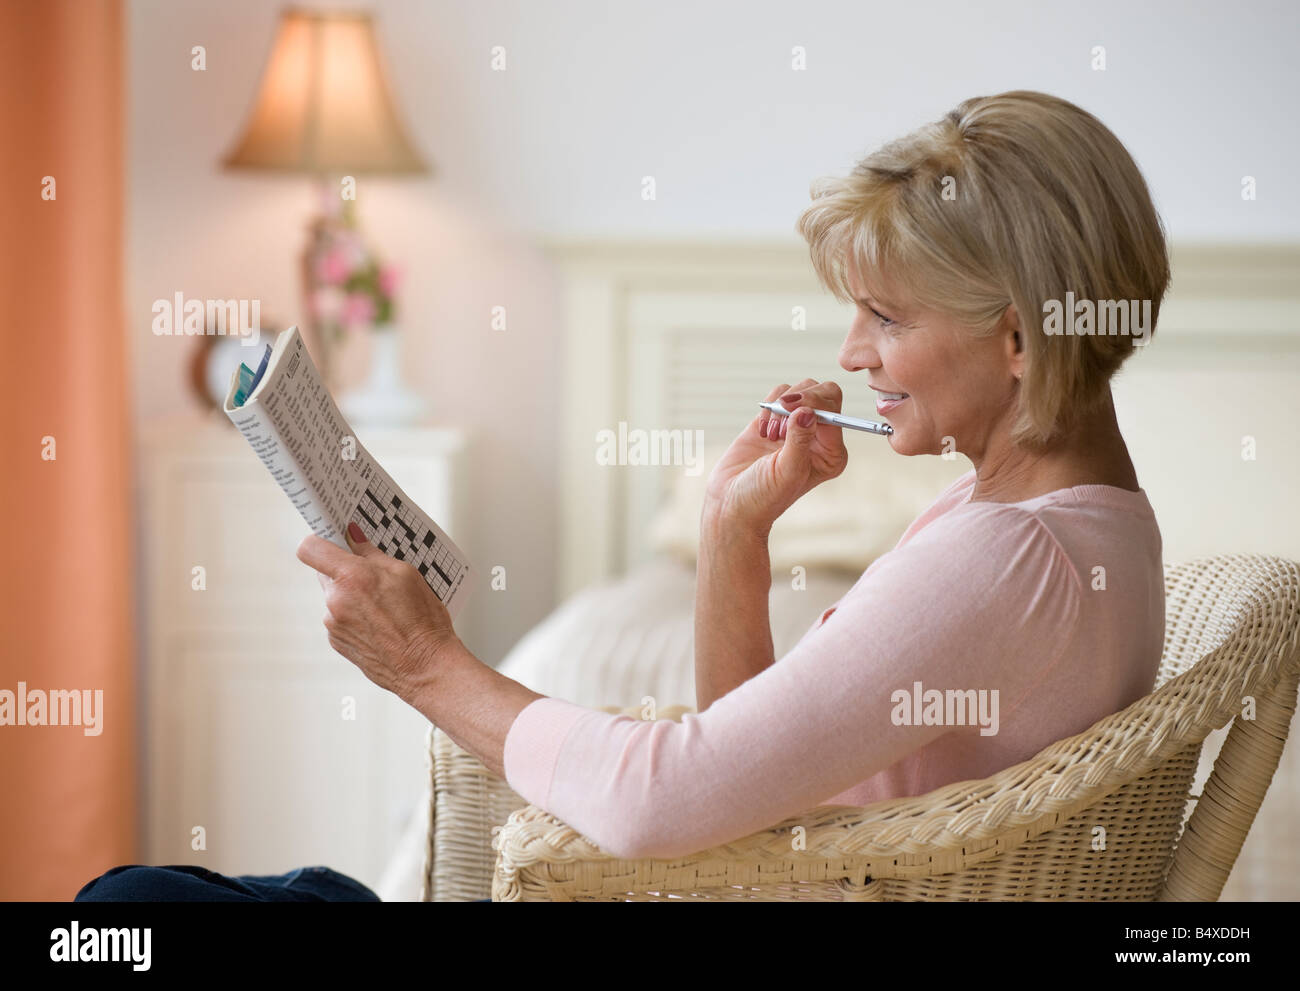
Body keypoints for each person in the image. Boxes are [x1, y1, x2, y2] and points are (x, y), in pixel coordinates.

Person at [77, 88, 1168, 898]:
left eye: (887, 317)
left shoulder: (1007, 557)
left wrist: (427, 665)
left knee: (131, 911)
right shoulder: (1075, 526)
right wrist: (734, 530)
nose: (852, 351)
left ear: (1019, 337)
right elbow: (751, 771)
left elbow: (664, 798)